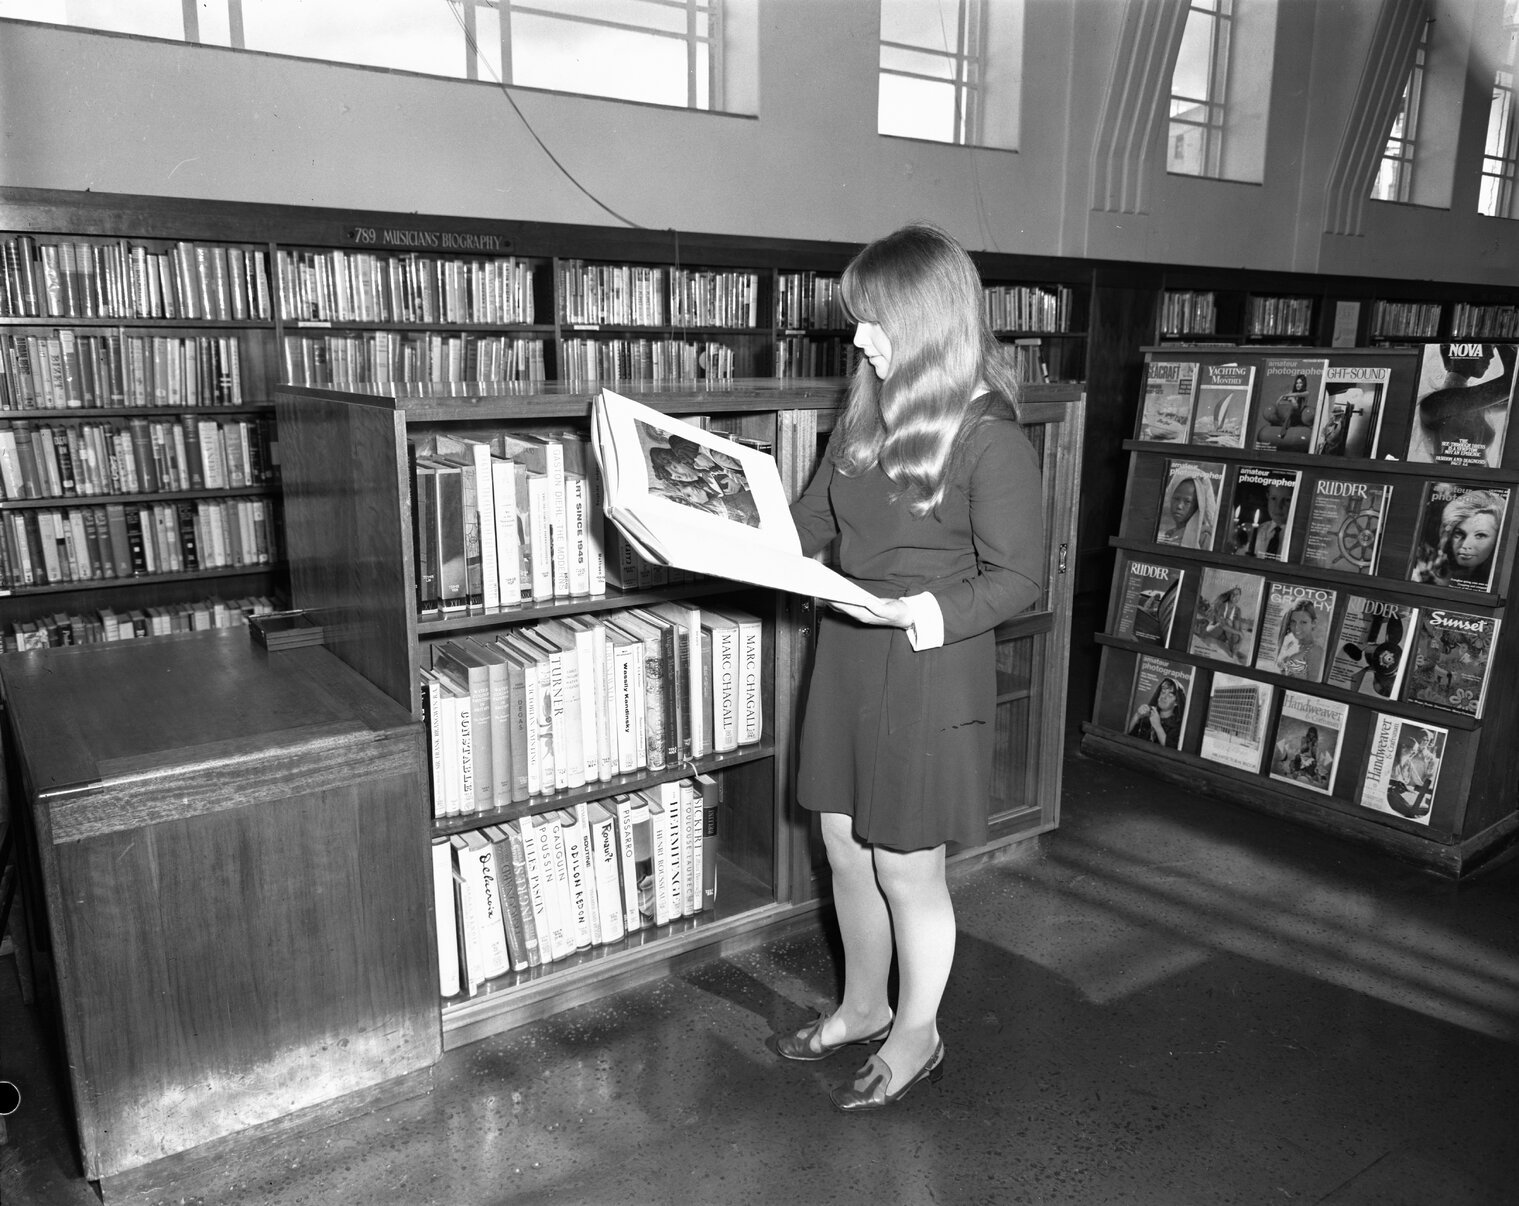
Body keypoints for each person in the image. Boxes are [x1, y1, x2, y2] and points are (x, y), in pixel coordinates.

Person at [769, 222, 1044, 1113]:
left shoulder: (987, 435)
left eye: (873, 321)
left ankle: (917, 1033)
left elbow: (1017, 577)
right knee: (844, 848)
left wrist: (918, 610)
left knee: (905, 865)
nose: (857, 339)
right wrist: (738, 528)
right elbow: (812, 521)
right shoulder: (865, 411)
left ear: (923, 322)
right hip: (850, 649)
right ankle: (861, 1005)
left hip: (928, 659)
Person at [1411, 489, 1504, 587]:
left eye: (1480, 535)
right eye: (1459, 534)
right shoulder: (1434, 567)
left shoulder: (1498, 581)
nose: (1465, 545)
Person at [1156, 464, 1217, 549]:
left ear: (1197, 506)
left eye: (1187, 501)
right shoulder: (1168, 534)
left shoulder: (1204, 538)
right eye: (1176, 499)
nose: (1179, 506)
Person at [1127, 676, 1185, 747]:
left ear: (1176, 702)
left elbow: (1172, 751)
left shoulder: (1179, 728)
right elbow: (1125, 734)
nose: (1164, 697)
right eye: (1163, 692)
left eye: (1170, 695)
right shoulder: (1147, 715)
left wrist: (1157, 726)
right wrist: (1137, 715)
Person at [1274, 599, 1319, 679]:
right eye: (1293, 622)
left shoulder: (1316, 652)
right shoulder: (1289, 642)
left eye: (1303, 622)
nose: (1297, 628)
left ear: (1313, 623)